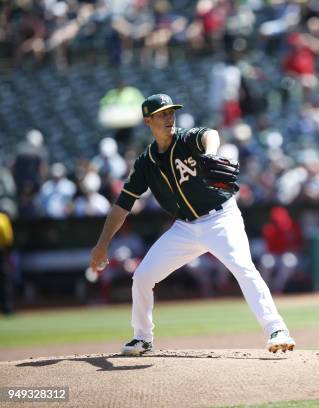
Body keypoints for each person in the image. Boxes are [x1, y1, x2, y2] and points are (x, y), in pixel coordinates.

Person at [90, 94, 295, 355]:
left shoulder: (186, 139)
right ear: (148, 120)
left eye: (171, 112)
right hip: (185, 228)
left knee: (243, 268)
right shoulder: (146, 163)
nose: (169, 118)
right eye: (162, 114)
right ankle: (142, 338)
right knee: (142, 277)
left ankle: (277, 329)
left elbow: (210, 134)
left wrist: (209, 154)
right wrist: (102, 245)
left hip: (221, 218)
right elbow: (122, 205)